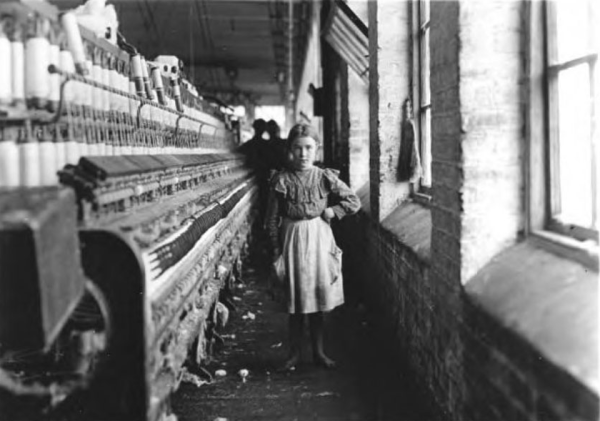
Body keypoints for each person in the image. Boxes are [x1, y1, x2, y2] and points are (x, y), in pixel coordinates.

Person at [265, 123, 361, 370]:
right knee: (296, 299)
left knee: (318, 295)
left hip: (319, 235)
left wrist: (333, 211)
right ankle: (294, 354)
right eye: (297, 148)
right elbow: (271, 220)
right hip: (292, 237)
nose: (303, 154)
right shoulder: (281, 179)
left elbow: (354, 201)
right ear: (290, 150)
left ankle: (319, 352)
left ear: (316, 149)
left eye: (308, 148)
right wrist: (276, 251)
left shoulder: (324, 177)